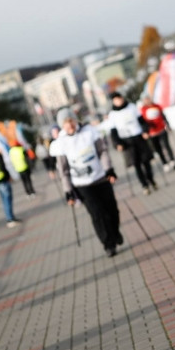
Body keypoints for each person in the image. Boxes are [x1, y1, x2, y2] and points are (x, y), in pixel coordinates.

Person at [50, 108, 123, 256]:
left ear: (75, 120)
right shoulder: (61, 143)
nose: (69, 125)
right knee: (97, 214)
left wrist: (109, 170)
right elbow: (63, 170)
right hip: (82, 184)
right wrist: (68, 191)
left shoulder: (89, 132)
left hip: (101, 178)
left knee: (112, 210)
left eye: (71, 120)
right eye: (65, 123)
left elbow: (102, 151)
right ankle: (108, 244)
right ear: (62, 126)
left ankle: (115, 233)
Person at [107, 92, 157, 195]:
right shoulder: (112, 114)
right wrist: (117, 144)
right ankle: (144, 185)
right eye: (116, 100)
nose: (118, 101)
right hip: (126, 141)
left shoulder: (132, 107)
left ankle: (150, 179)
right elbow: (113, 132)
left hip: (138, 137)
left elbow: (141, 121)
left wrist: (145, 131)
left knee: (146, 161)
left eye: (119, 99)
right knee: (136, 164)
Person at [138, 95, 175, 171]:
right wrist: (145, 131)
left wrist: (167, 124)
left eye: (148, 99)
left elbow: (163, 116)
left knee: (166, 145)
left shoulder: (157, 106)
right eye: (146, 100)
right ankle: (164, 163)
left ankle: (172, 160)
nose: (147, 101)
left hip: (161, 129)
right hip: (152, 133)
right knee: (158, 149)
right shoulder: (143, 110)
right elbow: (142, 121)